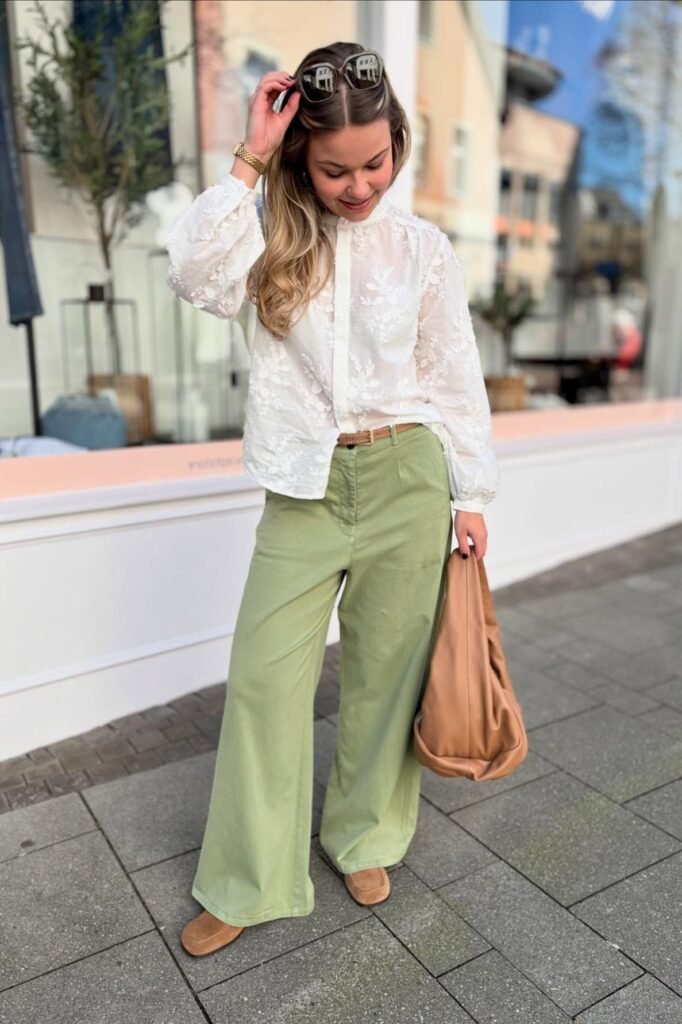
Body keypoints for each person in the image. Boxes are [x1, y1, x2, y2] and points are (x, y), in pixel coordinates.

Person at [165, 41, 499, 958]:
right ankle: (249, 875)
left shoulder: (424, 249)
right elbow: (191, 276)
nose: (360, 187)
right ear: (303, 160)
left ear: (399, 140)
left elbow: (451, 374)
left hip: (407, 477)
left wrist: (471, 494)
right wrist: (250, 157)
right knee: (266, 682)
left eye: (377, 162)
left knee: (387, 680)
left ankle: (364, 836)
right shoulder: (266, 228)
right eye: (335, 169)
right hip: (304, 486)